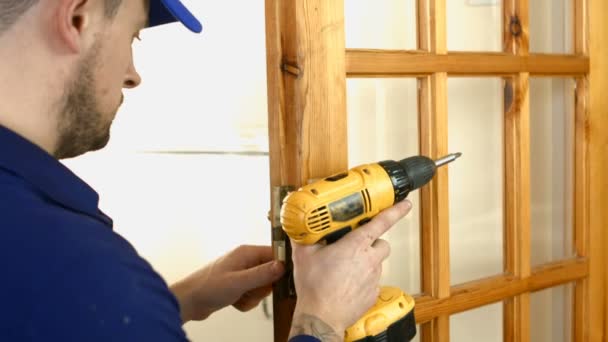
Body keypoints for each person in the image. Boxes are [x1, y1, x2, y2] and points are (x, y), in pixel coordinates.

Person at [0, 0, 412, 341]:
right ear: (78, 17)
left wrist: (181, 300)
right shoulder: (81, 271)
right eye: (132, 36)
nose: (132, 74)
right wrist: (320, 320)